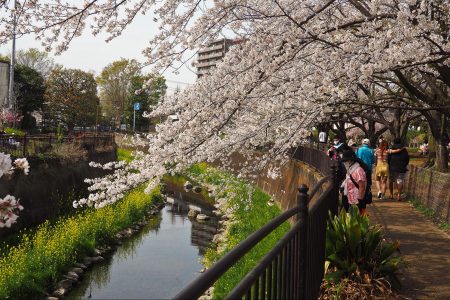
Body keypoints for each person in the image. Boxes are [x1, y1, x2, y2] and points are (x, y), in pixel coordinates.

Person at [339, 150, 367, 215]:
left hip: (357, 201)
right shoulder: (350, 169)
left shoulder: (359, 170)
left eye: (345, 161)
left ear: (350, 161)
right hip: (350, 199)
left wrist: (359, 201)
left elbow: (362, 187)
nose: (344, 162)